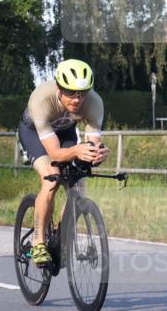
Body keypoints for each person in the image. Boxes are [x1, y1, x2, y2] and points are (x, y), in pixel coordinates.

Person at [18, 59, 110, 266]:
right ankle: (39, 241)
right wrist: (77, 150)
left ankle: (61, 236)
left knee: (78, 182)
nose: (77, 99)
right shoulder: (41, 99)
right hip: (34, 133)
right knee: (52, 177)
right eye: (70, 92)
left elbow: (93, 146)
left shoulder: (94, 103)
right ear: (59, 88)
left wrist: (98, 154)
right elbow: (56, 154)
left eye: (82, 93)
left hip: (65, 132)